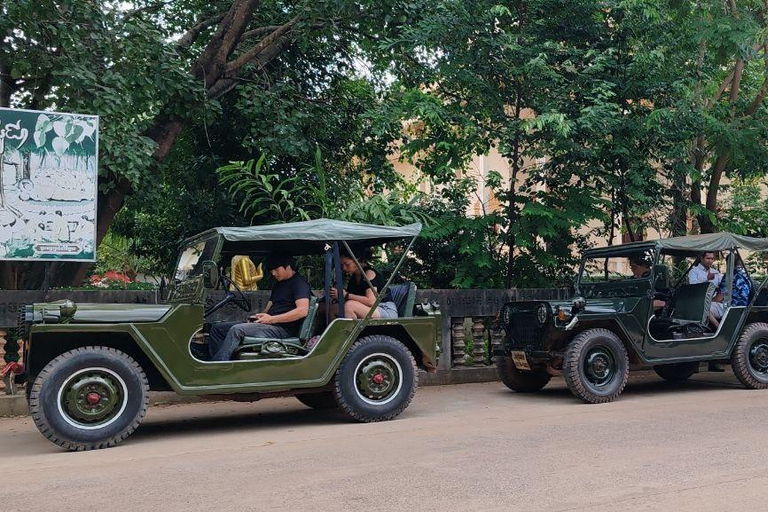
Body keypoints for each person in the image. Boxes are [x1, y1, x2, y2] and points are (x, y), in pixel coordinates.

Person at [204, 254, 311, 361]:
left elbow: (302, 311)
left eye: (276, 269)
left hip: (282, 329)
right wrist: (257, 318)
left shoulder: (299, 283)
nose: (273, 273)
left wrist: (271, 319)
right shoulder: (279, 285)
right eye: (272, 271)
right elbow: (267, 310)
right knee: (217, 329)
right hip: (268, 325)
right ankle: (218, 360)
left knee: (237, 330)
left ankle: (220, 365)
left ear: (287, 266)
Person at [330, 247, 398, 319]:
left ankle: (351, 327)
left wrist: (346, 295)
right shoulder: (354, 278)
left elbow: (371, 301)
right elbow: (351, 298)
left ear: (359, 260)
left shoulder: (369, 273)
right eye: (342, 265)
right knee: (333, 308)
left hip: (383, 308)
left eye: (347, 264)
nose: (344, 268)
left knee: (349, 306)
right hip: (367, 308)